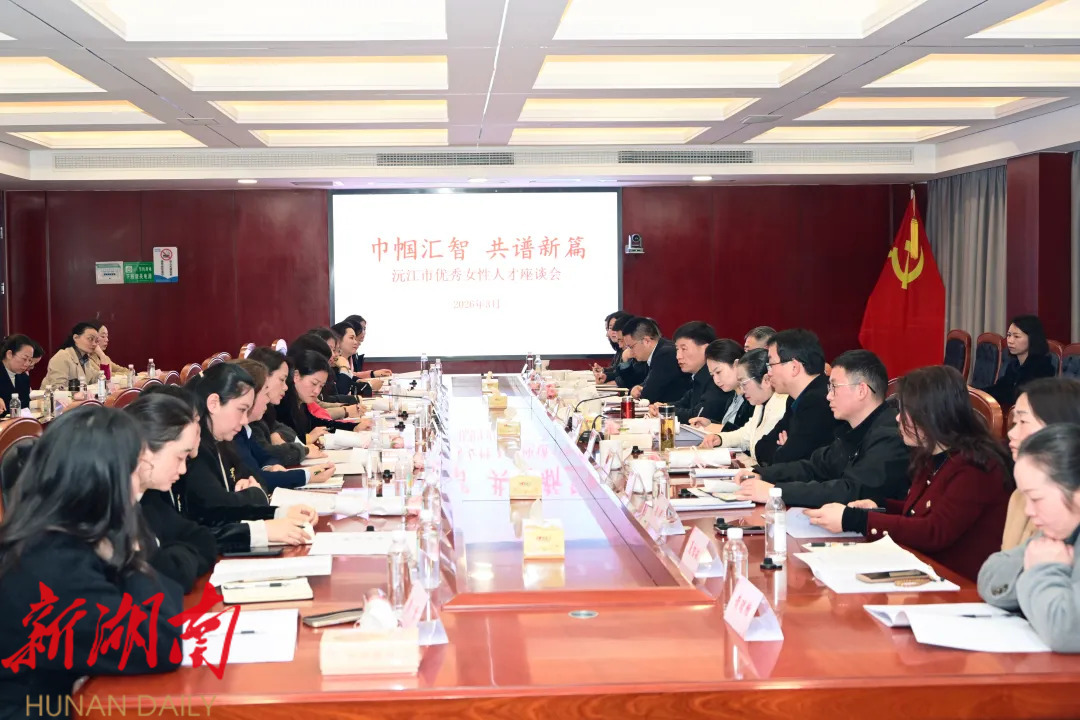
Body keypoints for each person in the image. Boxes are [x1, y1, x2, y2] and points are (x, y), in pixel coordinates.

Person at [0, 406, 183, 715]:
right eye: (136, 468)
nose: (140, 479)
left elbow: (166, 608)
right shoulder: (52, 564)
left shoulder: (52, 538)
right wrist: (130, 552)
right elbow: (163, 645)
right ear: (105, 480)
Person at [805, 365, 1013, 581]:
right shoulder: (932, 453)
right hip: (926, 572)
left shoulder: (977, 466)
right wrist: (879, 508)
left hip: (961, 585)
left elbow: (933, 532)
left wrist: (855, 520)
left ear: (931, 414)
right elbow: (920, 512)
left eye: (905, 411)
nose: (897, 418)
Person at [735, 349, 910, 508]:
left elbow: (849, 491)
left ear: (861, 390)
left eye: (834, 387)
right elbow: (815, 467)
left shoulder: (890, 435)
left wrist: (776, 492)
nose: (828, 396)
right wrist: (762, 474)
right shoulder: (851, 430)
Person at [176, 363, 314, 547]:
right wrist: (260, 516)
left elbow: (242, 491)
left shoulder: (220, 441)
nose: (243, 420)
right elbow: (214, 511)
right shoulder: (197, 451)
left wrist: (278, 513)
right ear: (214, 403)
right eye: (241, 409)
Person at [978, 424, 1080, 652]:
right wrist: (1034, 569)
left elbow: (1065, 631)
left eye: (1036, 499)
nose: (1028, 511)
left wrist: (1043, 570)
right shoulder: (1058, 530)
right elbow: (990, 577)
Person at [124, 392, 217, 592]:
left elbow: (203, 539)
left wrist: (174, 560)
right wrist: (177, 561)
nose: (183, 469)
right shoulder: (111, 511)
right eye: (179, 458)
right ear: (146, 451)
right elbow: (153, 581)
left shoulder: (148, 498)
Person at [229, 359, 336, 492]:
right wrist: (307, 475)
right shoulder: (233, 433)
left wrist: (271, 466)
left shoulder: (246, 428)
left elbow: (265, 456)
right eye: (265, 393)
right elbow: (256, 477)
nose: (268, 399)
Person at [1001, 378, 1080, 550]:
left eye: (1023, 422)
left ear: (1058, 428)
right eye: (1014, 422)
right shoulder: (1020, 496)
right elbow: (1002, 561)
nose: (1011, 434)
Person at [754, 328, 838, 465]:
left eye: (771, 365)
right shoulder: (795, 398)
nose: (768, 373)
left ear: (794, 367)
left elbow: (788, 462)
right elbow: (761, 447)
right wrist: (783, 449)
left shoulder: (820, 402)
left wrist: (783, 450)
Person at [701, 348, 788, 463]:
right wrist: (720, 439)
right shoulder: (761, 403)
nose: (741, 390)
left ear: (766, 380)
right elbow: (746, 435)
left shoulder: (782, 407)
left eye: (744, 383)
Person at [247, 346, 325, 467]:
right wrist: (304, 450)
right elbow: (265, 454)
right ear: (263, 376)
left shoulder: (268, 410)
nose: (286, 387)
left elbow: (286, 430)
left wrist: (277, 434)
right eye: (282, 379)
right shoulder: (251, 417)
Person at [651, 323, 731, 423]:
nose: (678, 356)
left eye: (684, 349)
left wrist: (664, 410)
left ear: (706, 349)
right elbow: (683, 403)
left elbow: (699, 415)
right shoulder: (697, 377)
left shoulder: (717, 379)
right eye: (677, 349)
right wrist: (662, 407)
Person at [277, 349, 356, 441]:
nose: (317, 391)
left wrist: (354, 427)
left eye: (321, 386)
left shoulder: (300, 401)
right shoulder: (281, 404)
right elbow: (285, 442)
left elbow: (317, 424)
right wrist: (308, 438)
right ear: (296, 376)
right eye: (314, 383)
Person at [984, 315, 1055, 409]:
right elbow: (1000, 388)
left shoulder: (1042, 368)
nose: (1010, 341)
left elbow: (1018, 397)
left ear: (1032, 338)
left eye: (1016, 336)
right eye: (1009, 335)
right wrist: (977, 392)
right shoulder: (1014, 364)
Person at [688, 338, 754, 432]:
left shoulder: (753, 399)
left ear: (736, 364)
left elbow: (748, 435)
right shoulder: (732, 398)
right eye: (712, 375)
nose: (716, 380)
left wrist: (719, 428)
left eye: (718, 372)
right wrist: (710, 424)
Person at [622, 317, 688, 404]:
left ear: (646, 341)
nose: (630, 352)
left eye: (631, 347)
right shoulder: (657, 352)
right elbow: (648, 384)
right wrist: (637, 388)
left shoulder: (665, 354)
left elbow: (649, 395)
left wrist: (640, 391)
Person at [40, 321, 100, 389]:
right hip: (49, 395)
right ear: (76, 338)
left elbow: (97, 378)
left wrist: (102, 356)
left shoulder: (84, 358)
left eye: (96, 341)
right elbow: (58, 388)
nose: (94, 344)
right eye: (90, 339)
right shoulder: (62, 356)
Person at [595, 313, 647, 389]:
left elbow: (633, 380)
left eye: (621, 340)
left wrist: (625, 359)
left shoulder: (644, 354)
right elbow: (619, 372)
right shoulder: (626, 351)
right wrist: (606, 376)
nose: (608, 334)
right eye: (609, 329)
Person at [343, 314, 392, 382]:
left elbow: (351, 375)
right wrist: (372, 375)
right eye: (361, 329)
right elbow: (348, 376)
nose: (363, 332)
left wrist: (372, 374)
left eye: (364, 329)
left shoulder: (353, 353)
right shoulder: (342, 354)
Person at [0, 334, 39, 415]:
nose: (27, 364)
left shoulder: (24, 378)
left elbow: (25, 407)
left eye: (30, 360)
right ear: (9, 354)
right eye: (24, 359)